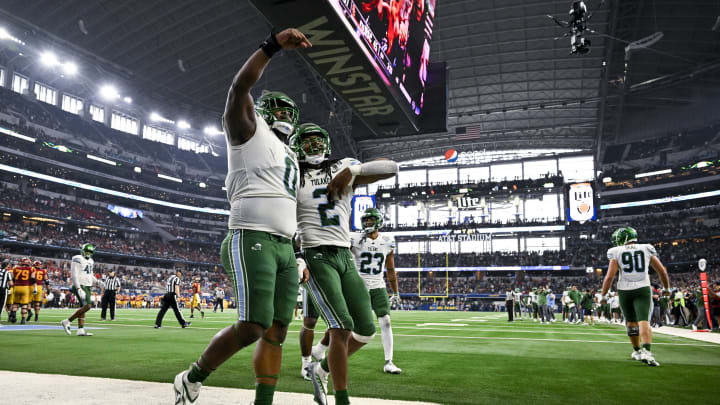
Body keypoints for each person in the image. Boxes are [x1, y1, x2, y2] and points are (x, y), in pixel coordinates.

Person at [172, 27, 311, 405]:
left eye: (288, 112)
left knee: (278, 330)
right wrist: (271, 47)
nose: (282, 116)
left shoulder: (291, 155)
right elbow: (238, 87)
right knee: (252, 326)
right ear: (262, 111)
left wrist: (298, 254)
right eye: (277, 110)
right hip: (251, 236)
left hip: (284, 246)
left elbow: (290, 207)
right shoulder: (248, 128)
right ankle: (192, 377)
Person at [292, 122, 398, 405]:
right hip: (315, 253)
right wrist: (297, 257)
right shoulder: (291, 174)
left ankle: (321, 368)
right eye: (307, 141)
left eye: (318, 140)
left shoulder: (342, 166)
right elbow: (282, 220)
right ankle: (342, 398)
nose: (313, 146)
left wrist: (354, 170)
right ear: (296, 145)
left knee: (365, 329)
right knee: (340, 327)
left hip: (344, 254)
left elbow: (392, 167)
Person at [311, 207, 403, 374]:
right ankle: (320, 347)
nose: (368, 223)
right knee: (346, 322)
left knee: (386, 321)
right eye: (366, 220)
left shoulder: (388, 241)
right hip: (358, 285)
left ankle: (389, 361)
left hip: (378, 286)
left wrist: (395, 292)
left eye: (371, 220)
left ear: (379, 222)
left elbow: (390, 269)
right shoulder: (354, 238)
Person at [601, 226, 670, 367]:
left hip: (624, 290)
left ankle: (637, 351)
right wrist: (666, 288)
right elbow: (662, 271)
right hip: (643, 288)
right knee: (644, 321)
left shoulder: (616, 251)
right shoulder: (646, 248)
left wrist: (603, 295)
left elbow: (609, 277)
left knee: (631, 322)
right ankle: (647, 351)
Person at [61, 244, 104, 336]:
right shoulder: (77, 258)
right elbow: (74, 275)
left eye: (90, 252)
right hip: (80, 285)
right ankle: (67, 321)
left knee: (83, 308)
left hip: (87, 286)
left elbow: (90, 275)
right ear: (83, 250)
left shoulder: (91, 261)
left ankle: (80, 330)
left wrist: (98, 282)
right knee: (88, 306)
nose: (88, 254)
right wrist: (78, 288)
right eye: (87, 251)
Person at [11, 257, 33, 325]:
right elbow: (33, 279)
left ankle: (14, 316)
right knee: (24, 305)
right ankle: (23, 319)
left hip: (17, 287)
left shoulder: (16, 268)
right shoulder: (30, 269)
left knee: (15, 303)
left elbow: (13, 278)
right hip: (25, 287)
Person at [0, 259, 13, 326]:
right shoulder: (7, 272)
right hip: (3, 290)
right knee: (1, 305)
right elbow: (11, 283)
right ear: (7, 266)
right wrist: (9, 288)